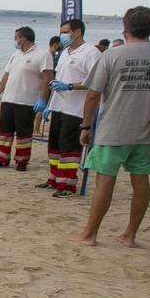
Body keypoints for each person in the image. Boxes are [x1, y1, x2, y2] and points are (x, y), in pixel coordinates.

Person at [67, 6, 150, 248]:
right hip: (148, 130)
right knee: (141, 181)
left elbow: (93, 94)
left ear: (125, 27)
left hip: (113, 128)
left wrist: (86, 126)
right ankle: (130, 234)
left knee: (105, 180)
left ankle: (90, 233)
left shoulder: (113, 55)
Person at [41, 18, 101, 198]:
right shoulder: (65, 52)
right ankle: (54, 178)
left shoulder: (91, 53)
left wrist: (70, 86)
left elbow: (95, 81)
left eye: (66, 31)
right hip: (59, 105)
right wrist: (49, 104)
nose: (63, 35)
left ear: (77, 32)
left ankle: (67, 184)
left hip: (75, 108)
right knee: (55, 145)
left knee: (69, 147)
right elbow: (59, 76)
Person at [0, 26, 54, 171]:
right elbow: (6, 75)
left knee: (23, 134)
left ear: (23, 38)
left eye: (16, 38)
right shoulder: (15, 54)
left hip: (27, 101)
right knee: (5, 132)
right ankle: (2, 158)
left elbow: (46, 78)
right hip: (9, 99)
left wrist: (43, 99)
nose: (15, 40)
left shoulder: (43, 54)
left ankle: (22, 161)